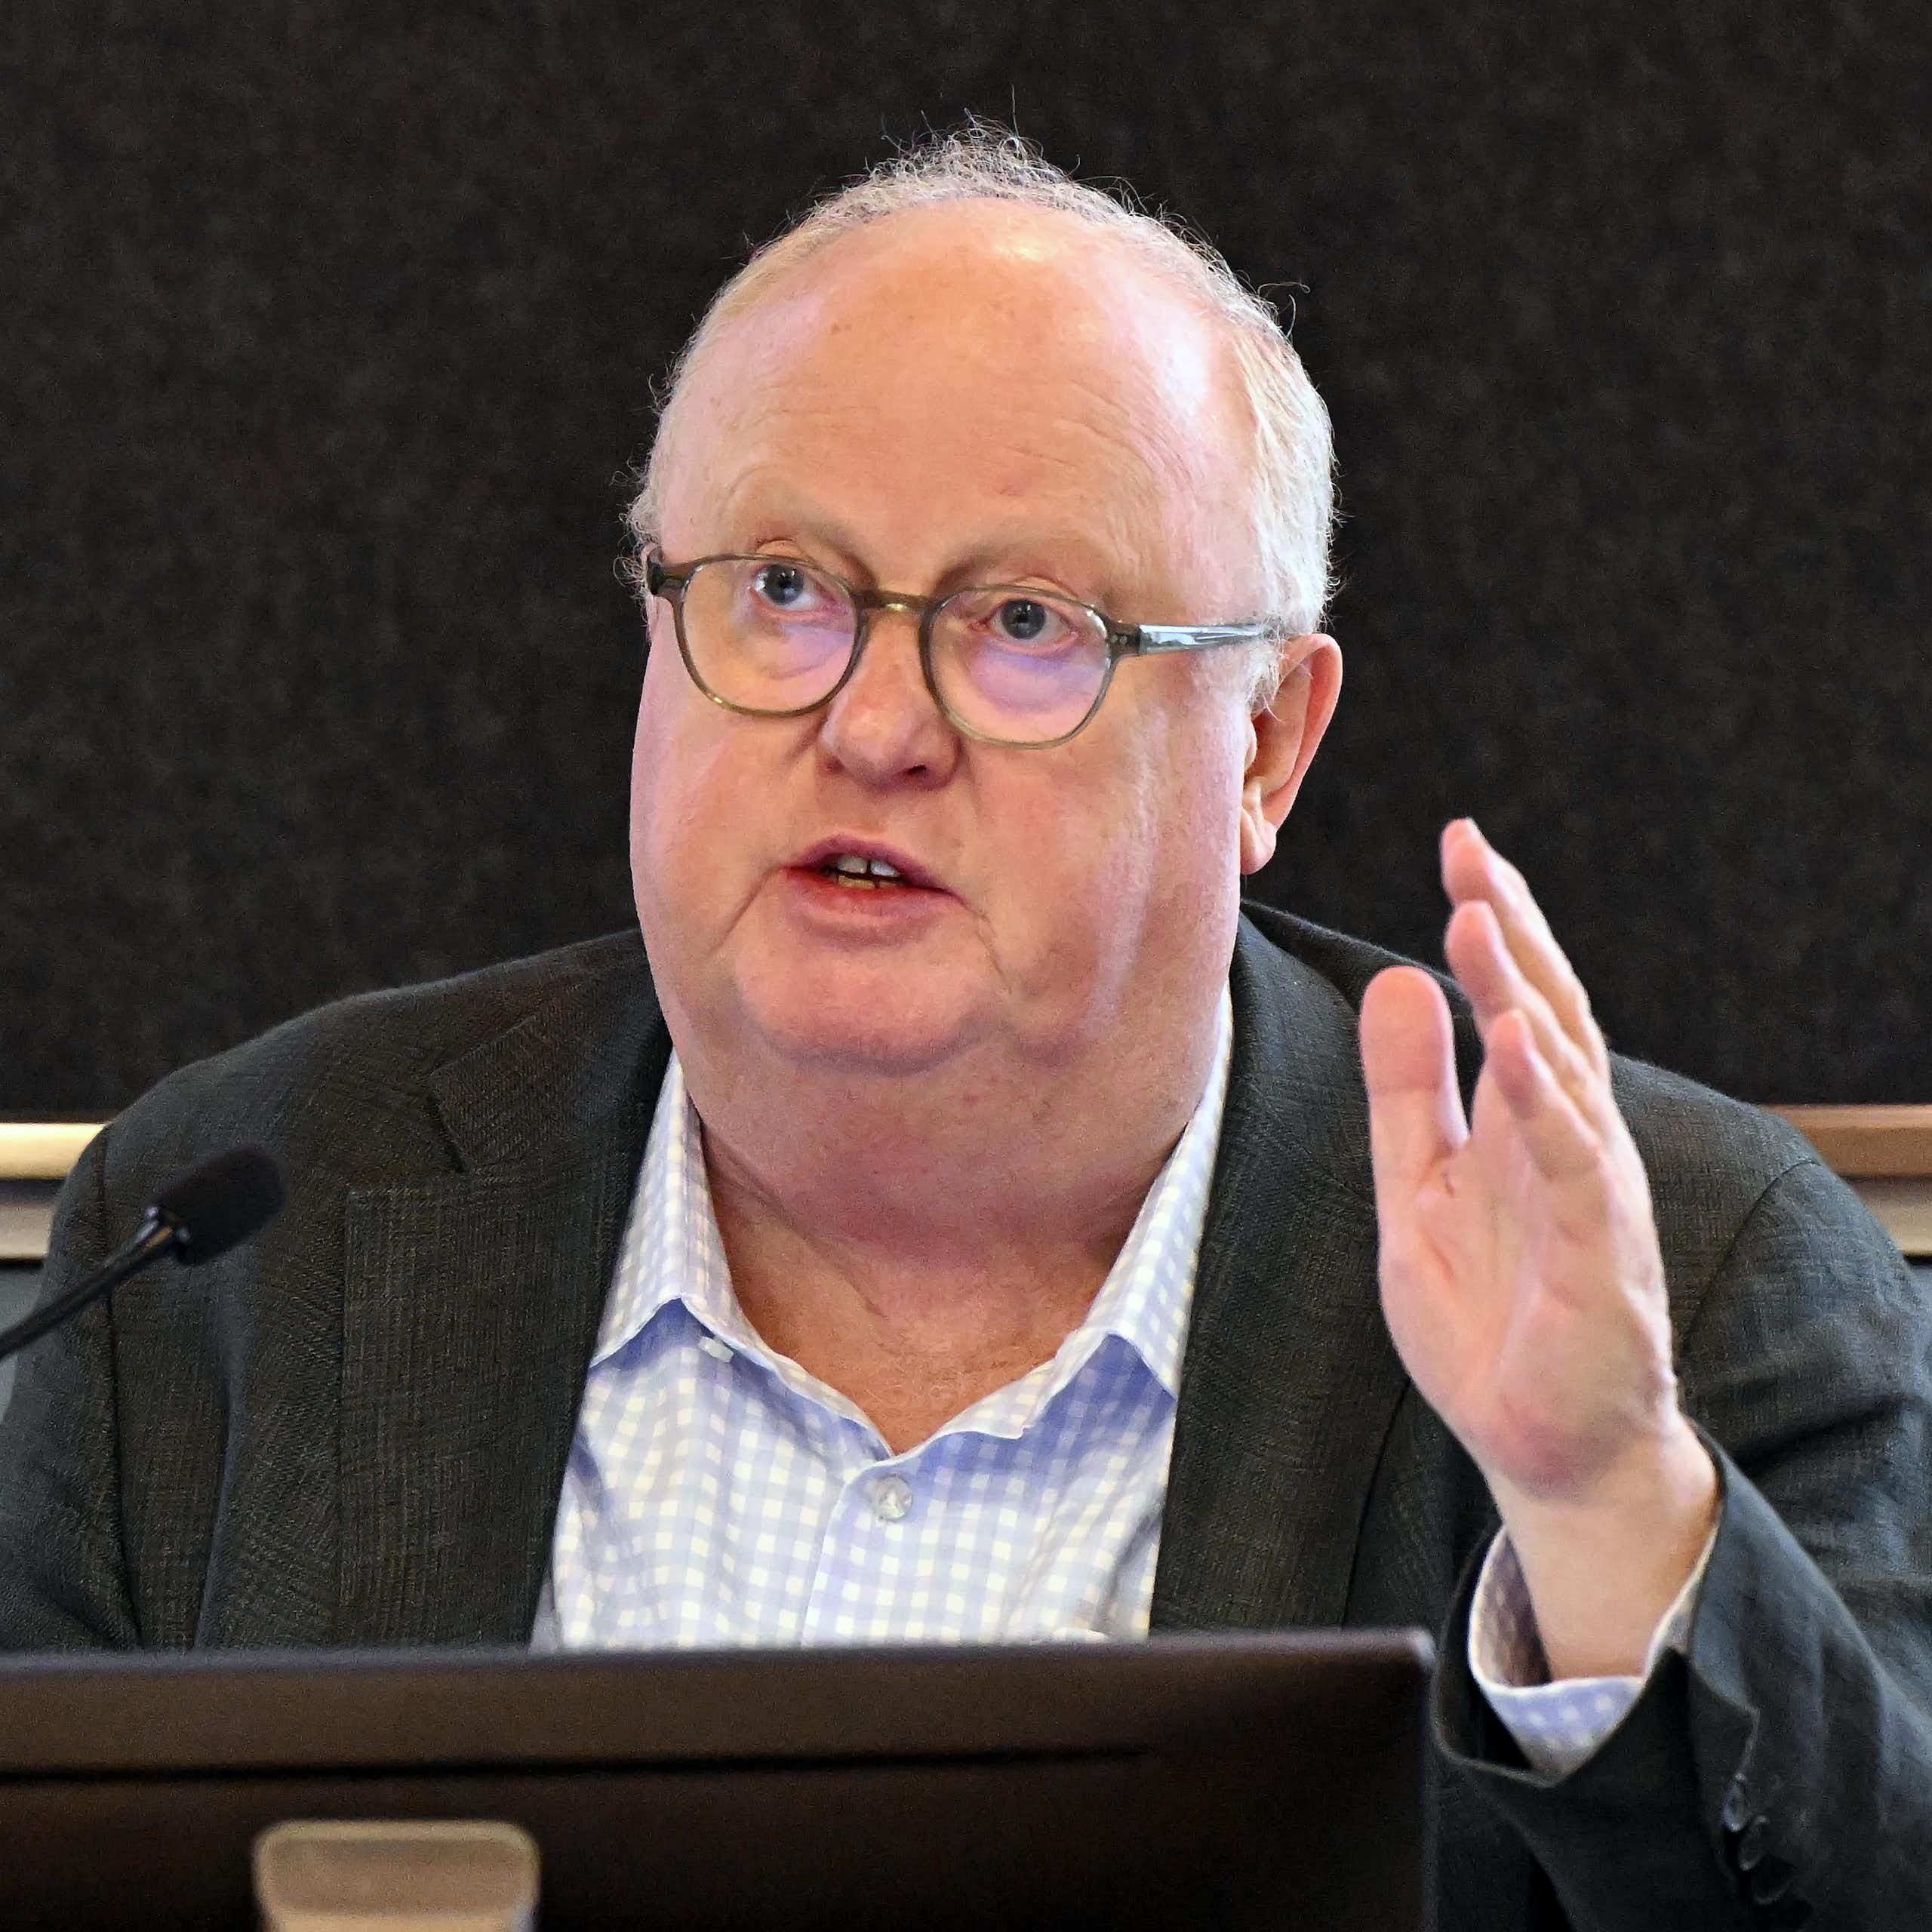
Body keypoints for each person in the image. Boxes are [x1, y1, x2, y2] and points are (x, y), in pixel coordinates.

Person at [2, 130, 1927, 1927]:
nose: (874, 723)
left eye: (1024, 624)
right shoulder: (222, 1245)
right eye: (781, 590)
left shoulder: (1678, 1276)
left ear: (1263, 740)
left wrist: (1600, 1507)